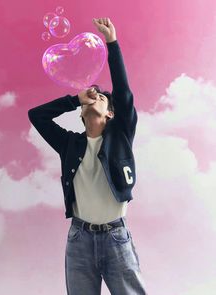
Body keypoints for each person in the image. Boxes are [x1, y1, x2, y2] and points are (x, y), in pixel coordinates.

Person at [28, 17, 147, 295]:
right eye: (89, 99)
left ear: (111, 113)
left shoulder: (121, 136)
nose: (95, 96)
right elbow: (36, 116)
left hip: (117, 237)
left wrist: (111, 43)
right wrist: (74, 99)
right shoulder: (69, 144)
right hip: (79, 239)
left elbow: (123, 92)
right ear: (80, 113)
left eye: (102, 98)